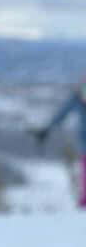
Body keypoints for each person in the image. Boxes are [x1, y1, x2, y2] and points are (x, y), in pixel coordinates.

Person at [33, 77, 86, 208]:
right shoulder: (76, 99)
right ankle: (84, 203)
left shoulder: (76, 99)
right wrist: (46, 128)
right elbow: (60, 115)